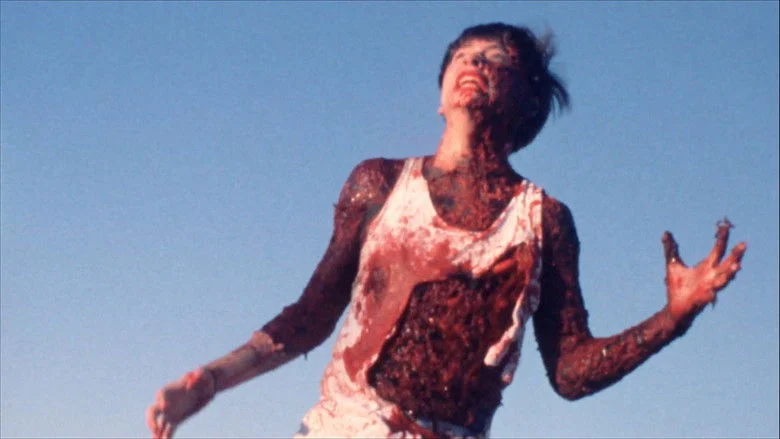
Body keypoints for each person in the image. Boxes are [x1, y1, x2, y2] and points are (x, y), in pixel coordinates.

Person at [146, 23, 747, 439]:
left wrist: (673, 317)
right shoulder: (379, 184)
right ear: (439, 97)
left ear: (527, 103)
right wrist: (212, 380)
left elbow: (569, 372)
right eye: (464, 54)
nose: (474, 63)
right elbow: (312, 313)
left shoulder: (544, 221)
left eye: (497, 60)